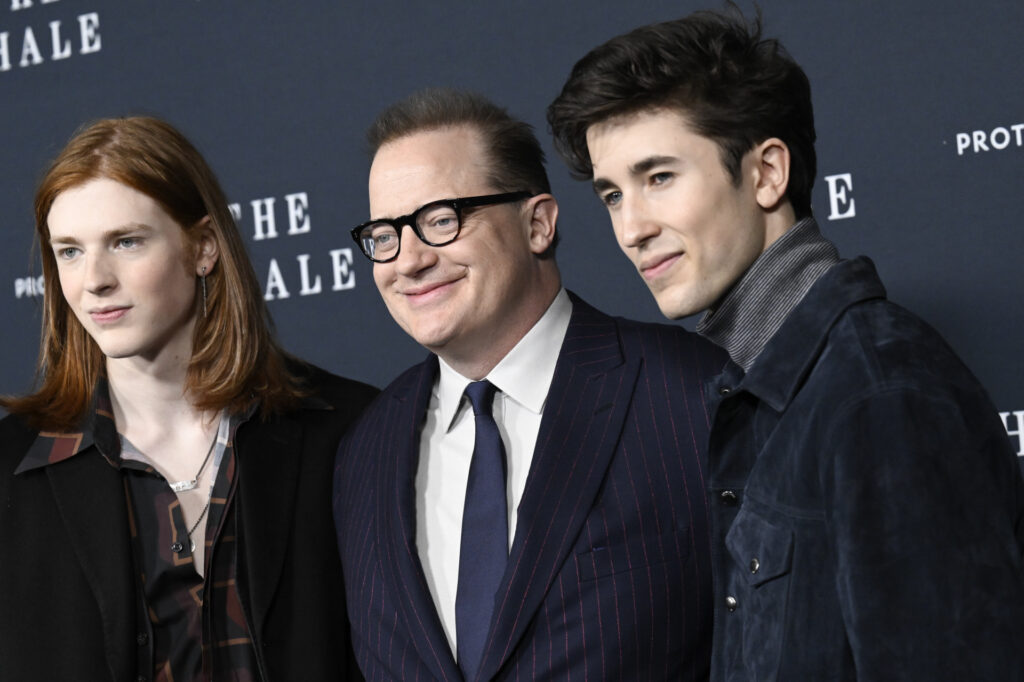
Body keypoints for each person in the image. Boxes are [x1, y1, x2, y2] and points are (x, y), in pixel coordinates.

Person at [547, 8, 1024, 681]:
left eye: (659, 178)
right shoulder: (757, 385)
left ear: (768, 173)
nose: (632, 228)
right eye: (612, 195)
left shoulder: (878, 393)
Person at [333, 88, 726, 681]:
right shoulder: (363, 451)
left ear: (538, 224)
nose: (406, 260)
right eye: (384, 235)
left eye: (440, 220)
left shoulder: (690, 391)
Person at [0, 116, 377, 681]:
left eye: (126, 242)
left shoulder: (348, 431)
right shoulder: (11, 473)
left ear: (203, 247)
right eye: (70, 252)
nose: (94, 280)